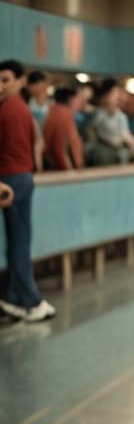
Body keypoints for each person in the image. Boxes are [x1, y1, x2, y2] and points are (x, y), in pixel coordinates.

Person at [0, 59, 55, 322]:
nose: (0, 86)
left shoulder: (9, 110)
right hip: (22, 177)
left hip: (12, 179)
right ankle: (17, 297)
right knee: (20, 241)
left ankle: (30, 300)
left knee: (19, 243)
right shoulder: (21, 109)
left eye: (5, 80)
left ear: (21, 81)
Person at [89, 78, 134, 167]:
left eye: (118, 94)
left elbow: (129, 138)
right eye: (113, 94)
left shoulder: (121, 116)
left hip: (118, 157)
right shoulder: (97, 114)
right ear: (105, 95)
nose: (118, 98)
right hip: (101, 159)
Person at [43, 86, 85, 171]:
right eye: (77, 99)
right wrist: (77, 167)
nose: (80, 102)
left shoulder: (51, 113)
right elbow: (71, 146)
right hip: (64, 167)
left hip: (53, 165)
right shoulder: (66, 115)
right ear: (70, 99)